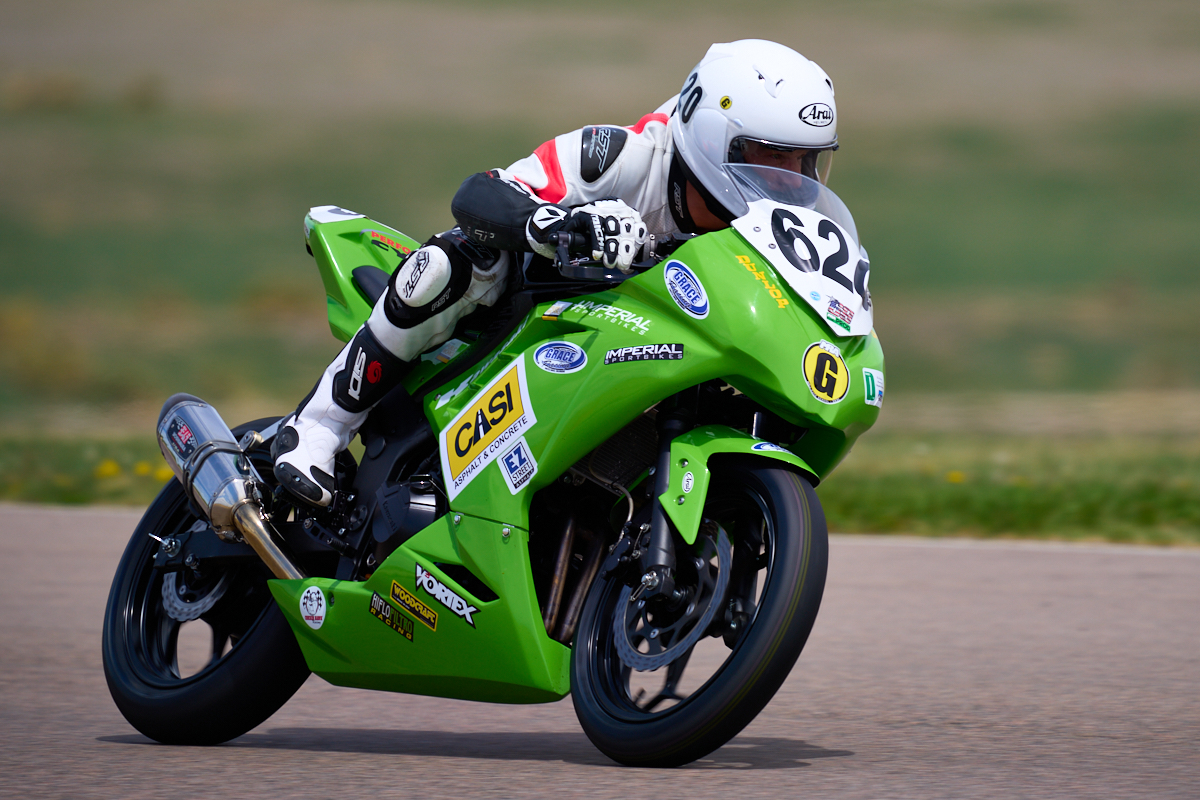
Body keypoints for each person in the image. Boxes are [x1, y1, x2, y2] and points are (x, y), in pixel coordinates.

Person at [272, 39, 840, 507]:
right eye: (770, 156)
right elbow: (481, 195)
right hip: (526, 313)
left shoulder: (775, 230)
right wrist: (563, 226)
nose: (791, 179)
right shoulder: (622, 156)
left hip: (636, 346)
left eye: (805, 161)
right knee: (455, 261)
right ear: (714, 138)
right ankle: (318, 427)